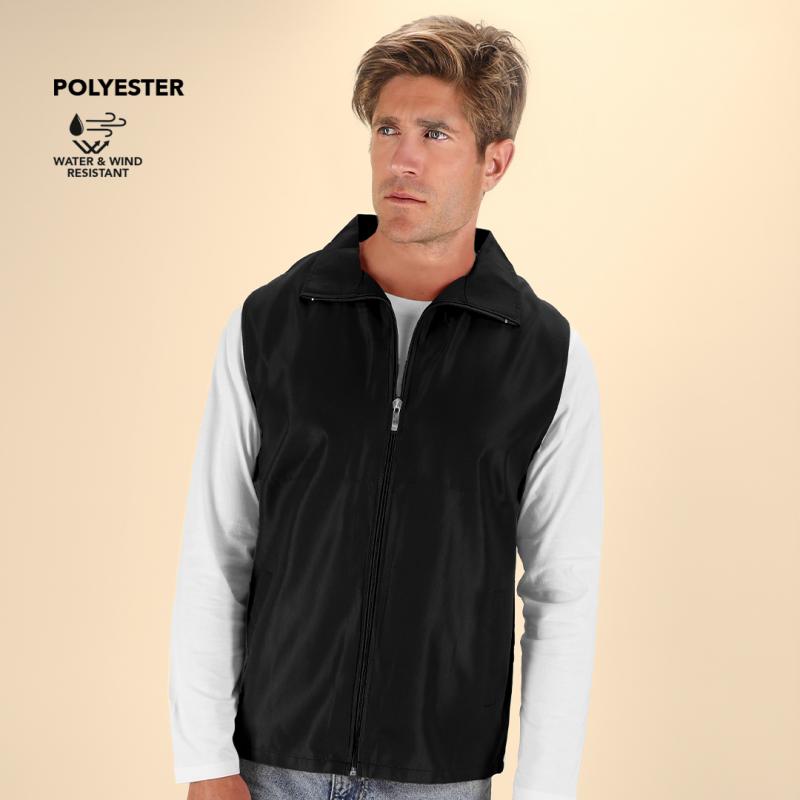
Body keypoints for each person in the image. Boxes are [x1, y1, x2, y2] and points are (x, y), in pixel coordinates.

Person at [169, 14, 604, 800]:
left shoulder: (546, 357)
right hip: (272, 768)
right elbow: (217, 551)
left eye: (435, 133)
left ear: (495, 161)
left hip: (441, 777)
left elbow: (561, 593)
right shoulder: (271, 325)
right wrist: (205, 761)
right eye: (387, 128)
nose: (402, 158)